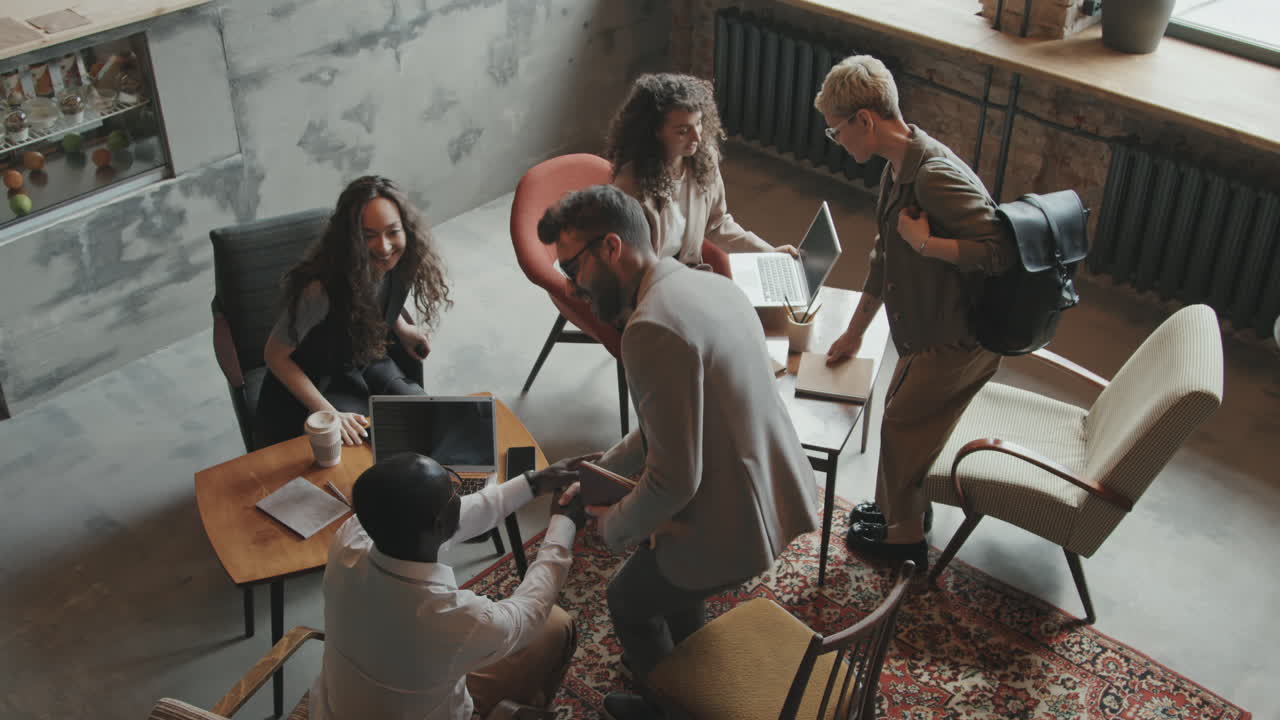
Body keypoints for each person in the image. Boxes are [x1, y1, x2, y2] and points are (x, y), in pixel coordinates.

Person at [537, 185, 818, 720]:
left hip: (733, 527)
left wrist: (611, 527)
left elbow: (675, 480)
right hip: (774, 491)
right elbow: (667, 425)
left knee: (626, 602)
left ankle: (672, 708)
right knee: (667, 584)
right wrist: (603, 469)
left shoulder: (651, 329)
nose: (573, 287)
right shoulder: (709, 286)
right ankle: (693, 671)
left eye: (573, 268)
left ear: (611, 248)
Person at [815, 55, 1015, 572]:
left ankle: (904, 543)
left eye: (837, 133)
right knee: (907, 422)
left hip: (959, 336)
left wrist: (928, 246)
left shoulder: (934, 176)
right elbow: (883, 259)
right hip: (926, 330)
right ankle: (902, 514)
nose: (837, 143)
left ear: (865, 120)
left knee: (902, 422)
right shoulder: (898, 170)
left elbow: (1002, 252)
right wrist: (856, 333)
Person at [309, 450, 595, 720]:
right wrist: (563, 525)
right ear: (439, 525)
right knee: (555, 623)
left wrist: (534, 482)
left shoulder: (349, 538)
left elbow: (462, 513)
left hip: (336, 709)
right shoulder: (454, 619)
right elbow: (530, 612)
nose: (460, 495)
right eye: (453, 490)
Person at [257, 175, 451, 448]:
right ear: (350, 237)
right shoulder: (320, 290)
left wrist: (403, 329)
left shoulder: (402, 261)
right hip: (320, 381)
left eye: (392, 231)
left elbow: (377, 299)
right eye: (368, 236)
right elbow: (274, 356)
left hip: (363, 357)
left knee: (421, 415)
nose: (384, 247)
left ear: (405, 228)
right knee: (356, 447)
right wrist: (328, 413)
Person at [604, 72, 798, 266]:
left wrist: (769, 253)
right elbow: (627, 264)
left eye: (698, 124)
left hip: (688, 272)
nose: (697, 137)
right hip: (650, 283)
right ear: (655, 132)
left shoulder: (704, 161)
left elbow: (717, 224)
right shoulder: (630, 185)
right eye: (683, 131)